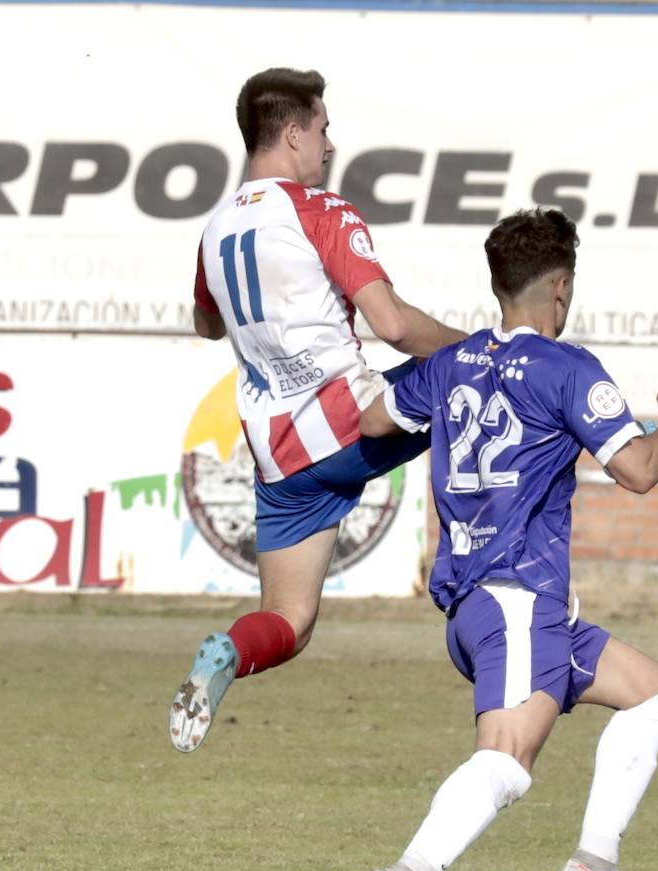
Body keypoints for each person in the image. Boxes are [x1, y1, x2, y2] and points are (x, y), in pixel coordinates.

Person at [355, 207, 658, 871]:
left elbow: (377, 419)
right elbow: (639, 469)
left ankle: (596, 861)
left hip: (493, 604)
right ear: (562, 289)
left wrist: (450, 390)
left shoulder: (450, 364)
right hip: (516, 598)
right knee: (508, 761)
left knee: (655, 696)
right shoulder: (568, 368)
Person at [169, 68, 465, 753]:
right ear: (294, 134)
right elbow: (391, 324)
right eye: (324, 130)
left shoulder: (215, 232)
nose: (329, 146)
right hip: (352, 423)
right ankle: (631, 434)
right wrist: (472, 345)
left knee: (289, 622)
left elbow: (206, 324)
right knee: (489, 370)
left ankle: (226, 655)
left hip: (281, 460)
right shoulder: (319, 211)